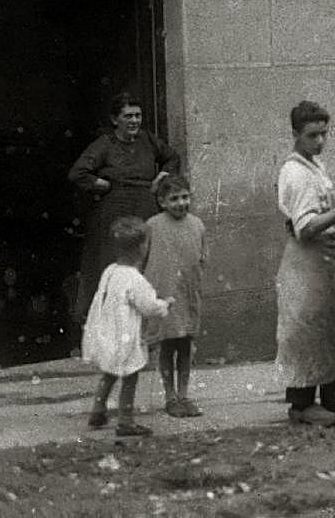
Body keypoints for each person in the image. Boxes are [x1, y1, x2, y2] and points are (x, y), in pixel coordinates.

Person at [276, 100, 335, 427]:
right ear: (295, 134)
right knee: (306, 330)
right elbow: (304, 228)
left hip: (324, 258)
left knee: (328, 328)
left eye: (323, 134)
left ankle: (334, 395)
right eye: (312, 135)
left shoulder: (313, 164)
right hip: (306, 260)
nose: (319, 142)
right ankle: (301, 405)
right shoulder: (295, 172)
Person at [67, 92, 180, 324]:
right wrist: (103, 185)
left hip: (146, 206)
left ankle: (147, 323)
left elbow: (172, 158)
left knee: (146, 264)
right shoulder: (105, 144)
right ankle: (114, 324)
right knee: (115, 267)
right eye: (128, 116)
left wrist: (160, 180)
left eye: (137, 116)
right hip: (115, 211)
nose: (134, 121)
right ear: (114, 119)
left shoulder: (147, 140)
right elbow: (78, 173)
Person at [81, 216, 172, 437]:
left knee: (110, 373)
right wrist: (165, 304)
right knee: (130, 376)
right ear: (142, 248)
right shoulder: (135, 279)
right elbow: (149, 306)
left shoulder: (110, 271)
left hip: (107, 334)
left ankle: (98, 410)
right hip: (125, 337)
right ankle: (125, 420)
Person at [142, 174, 207, 418]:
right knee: (168, 345)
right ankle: (170, 397)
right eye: (174, 199)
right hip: (165, 295)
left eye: (185, 197)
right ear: (162, 201)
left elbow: (202, 258)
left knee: (186, 346)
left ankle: (184, 395)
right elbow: (145, 259)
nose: (181, 203)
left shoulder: (198, 225)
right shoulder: (152, 225)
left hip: (188, 293)